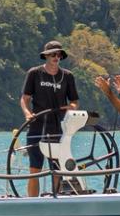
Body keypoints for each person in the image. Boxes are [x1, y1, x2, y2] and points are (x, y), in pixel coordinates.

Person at [19, 40, 80, 198]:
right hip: (37, 126)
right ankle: (32, 202)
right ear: (46, 56)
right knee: (35, 169)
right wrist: (27, 113)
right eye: (53, 54)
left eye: (59, 54)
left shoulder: (68, 76)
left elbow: (74, 101)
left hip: (57, 127)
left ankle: (55, 199)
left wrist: (72, 107)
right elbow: (25, 98)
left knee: (56, 168)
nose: (56, 57)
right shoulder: (34, 73)